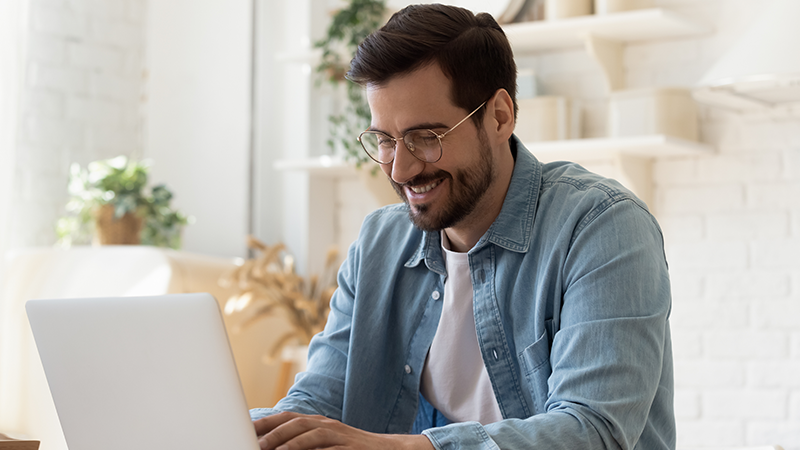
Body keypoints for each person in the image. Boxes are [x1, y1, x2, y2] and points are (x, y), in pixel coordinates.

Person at [251, 4, 675, 450]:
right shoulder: (379, 242)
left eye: (425, 138)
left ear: (499, 116)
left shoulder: (602, 227)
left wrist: (399, 448)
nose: (399, 169)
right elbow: (317, 401)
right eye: (385, 141)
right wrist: (245, 431)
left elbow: (594, 430)